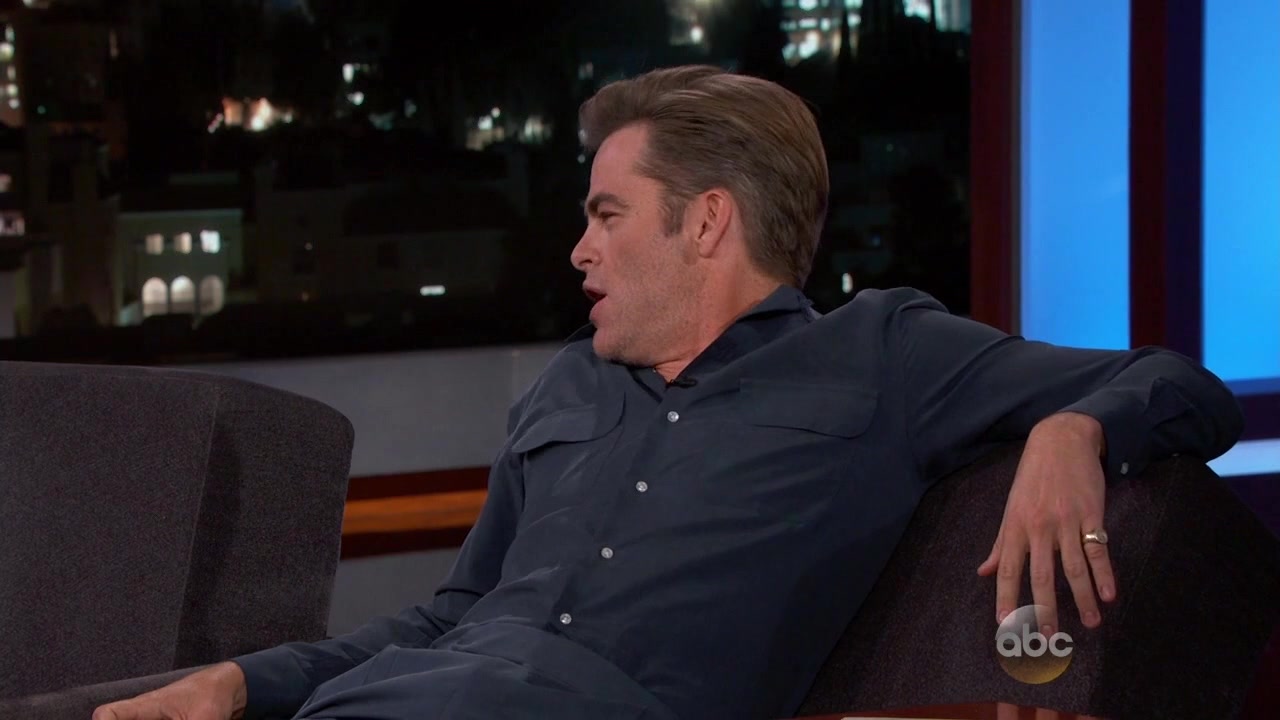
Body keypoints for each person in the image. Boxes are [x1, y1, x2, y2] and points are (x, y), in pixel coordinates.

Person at [95, 65, 1243, 720]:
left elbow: (1180, 385)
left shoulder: (880, 354)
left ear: (704, 224)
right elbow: (450, 617)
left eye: (606, 215)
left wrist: (1070, 427)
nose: (578, 251)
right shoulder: (569, 385)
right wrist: (240, 684)